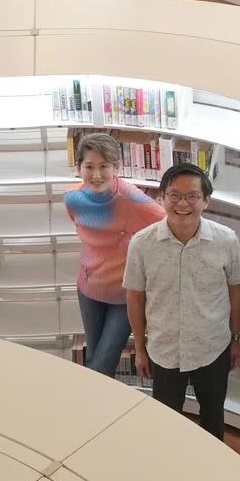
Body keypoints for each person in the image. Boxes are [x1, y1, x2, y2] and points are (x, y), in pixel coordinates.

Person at [123, 162, 240, 439]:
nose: (183, 203)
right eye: (174, 195)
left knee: (213, 416)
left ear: (206, 201)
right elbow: (135, 296)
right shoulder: (142, 244)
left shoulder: (225, 240)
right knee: (166, 422)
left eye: (192, 196)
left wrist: (235, 338)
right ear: (162, 198)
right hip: (165, 348)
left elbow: (235, 290)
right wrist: (140, 348)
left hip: (212, 346)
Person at [64, 132, 164, 377]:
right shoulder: (72, 198)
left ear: (116, 167)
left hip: (124, 293)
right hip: (89, 287)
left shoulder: (128, 196)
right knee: (94, 356)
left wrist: (219, 239)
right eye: (89, 166)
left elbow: (168, 221)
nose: (96, 175)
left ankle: (95, 410)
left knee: (103, 363)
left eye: (104, 167)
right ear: (78, 167)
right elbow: (89, 238)